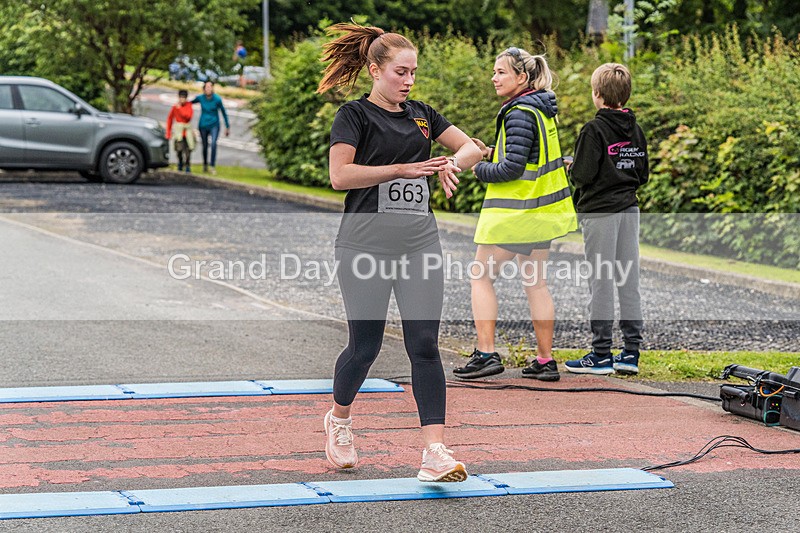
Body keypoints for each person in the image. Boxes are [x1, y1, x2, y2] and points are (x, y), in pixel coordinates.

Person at [316, 22, 482, 482]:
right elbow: (341, 176)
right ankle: (340, 419)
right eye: (400, 72)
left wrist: (451, 163)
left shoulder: (423, 114)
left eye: (413, 73)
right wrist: (402, 169)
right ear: (374, 70)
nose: (408, 82)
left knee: (425, 345)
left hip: (418, 244)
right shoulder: (354, 115)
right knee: (365, 347)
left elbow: (473, 146)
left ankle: (434, 451)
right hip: (364, 244)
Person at [453, 47, 577, 381]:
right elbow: (526, 157)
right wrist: (494, 151)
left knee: (480, 275)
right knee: (536, 284)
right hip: (541, 214)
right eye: (494, 72)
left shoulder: (519, 112)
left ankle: (486, 353)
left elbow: (512, 169)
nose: (494, 78)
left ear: (521, 78)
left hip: (517, 215)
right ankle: (545, 361)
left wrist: (479, 166)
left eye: (501, 72)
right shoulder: (540, 110)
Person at [563, 63, 648, 375]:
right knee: (628, 280)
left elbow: (584, 175)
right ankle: (630, 353)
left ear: (597, 94)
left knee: (601, 281)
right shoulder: (636, 130)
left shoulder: (593, 130)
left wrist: (571, 167)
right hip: (629, 208)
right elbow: (643, 173)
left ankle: (600, 354)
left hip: (600, 213)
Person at [191, 81, 230, 174]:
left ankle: (212, 165)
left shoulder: (217, 99)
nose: (208, 89)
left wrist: (227, 126)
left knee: (213, 144)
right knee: (204, 146)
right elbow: (189, 103)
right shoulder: (201, 98)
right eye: (206, 87)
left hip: (214, 125)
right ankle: (205, 164)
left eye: (210, 87)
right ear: (204, 89)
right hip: (203, 125)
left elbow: (223, 112)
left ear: (212, 88)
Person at [165, 89, 195, 173]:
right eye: (181, 97)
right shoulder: (175, 107)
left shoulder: (188, 106)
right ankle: (180, 163)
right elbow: (170, 119)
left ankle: (187, 165)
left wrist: (180, 109)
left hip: (187, 132)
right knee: (179, 149)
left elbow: (188, 117)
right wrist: (168, 132)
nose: (182, 99)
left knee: (188, 150)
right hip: (178, 132)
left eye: (184, 98)